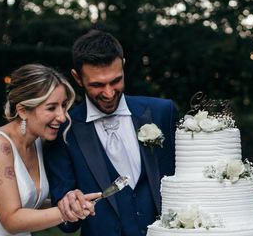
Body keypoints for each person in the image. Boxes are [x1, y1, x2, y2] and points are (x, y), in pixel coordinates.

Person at [44, 30, 179, 236]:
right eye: (97, 85)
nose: (108, 93)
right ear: (77, 78)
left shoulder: (162, 112)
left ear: (123, 65)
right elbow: (68, 224)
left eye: (115, 81)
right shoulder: (64, 131)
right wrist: (70, 204)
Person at [0, 64, 100, 236]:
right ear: (23, 110)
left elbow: (30, 204)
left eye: (64, 105)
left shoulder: (38, 144)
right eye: (51, 108)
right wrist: (65, 212)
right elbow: (11, 221)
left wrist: (70, 203)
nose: (62, 116)